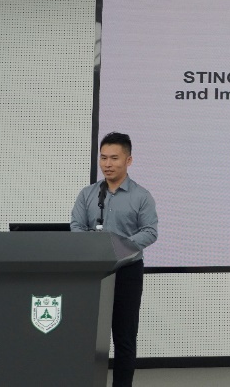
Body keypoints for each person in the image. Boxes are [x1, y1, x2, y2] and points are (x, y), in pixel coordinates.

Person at [71, 132, 158, 387]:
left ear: (128, 160)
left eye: (114, 158)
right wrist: (93, 244)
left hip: (127, 273)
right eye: (103, 158)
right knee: (87, 337)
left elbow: (150, 231)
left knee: (124, 339)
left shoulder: (141, 196)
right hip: (93, 274)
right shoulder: (88, 194)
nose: (107, 164)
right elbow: (76, 226)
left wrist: (118, 247)